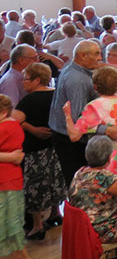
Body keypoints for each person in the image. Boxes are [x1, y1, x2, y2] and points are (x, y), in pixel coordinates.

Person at [49, 41, 117, 186]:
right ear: (82, 56)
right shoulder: (78, 80)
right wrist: (106, 129)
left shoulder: (75, 70)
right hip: (70, 141)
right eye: (96, 54)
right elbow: (78, 120)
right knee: (79, 183)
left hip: (66, 136)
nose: (100, 58)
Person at [13, 63, 65, 241]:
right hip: (56, 145)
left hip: (35, 149)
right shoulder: (56, 94)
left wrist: (31, 128)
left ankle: (37, 226)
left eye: (26, 79)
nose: (23, 83)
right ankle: (55, 213)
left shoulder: (28, 101)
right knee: (55, 180)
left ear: (37, 80)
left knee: (35, 184)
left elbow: (14, 120)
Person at [62, 66, 117, 175]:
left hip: (107, 159)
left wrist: (67, 115)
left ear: (95, 86)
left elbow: (74, 136)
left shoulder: (94, 106)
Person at [0, 93, 41, 259]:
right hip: (8, 182)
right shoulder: (10, 125)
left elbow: (16, 156)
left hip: (6, 184)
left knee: (9, 228)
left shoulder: (7, 127)